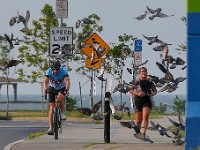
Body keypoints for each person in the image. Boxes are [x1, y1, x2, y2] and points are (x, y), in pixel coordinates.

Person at [129, 67, 157, 140]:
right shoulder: (136, 81)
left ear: (147, 73)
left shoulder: (150, 82)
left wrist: (151, 94)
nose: (144, 73)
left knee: (145, 116)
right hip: (138, 100)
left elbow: (155, 91)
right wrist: (137, 93)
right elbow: (131, 90)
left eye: (145, 71)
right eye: (142, 71)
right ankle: (138, 130)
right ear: (140, 73)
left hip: (146, 100)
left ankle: (143, 133)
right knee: (138, 121)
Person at [43, 60, 70, 135]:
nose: (55, 71)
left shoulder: (63, 71)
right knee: (51, 107)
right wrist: (45, 89)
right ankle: (51, 128)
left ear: (59, 68)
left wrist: (67, 90)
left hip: (62, 87)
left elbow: (67, 81)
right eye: (53, 69)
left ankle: (62, 112)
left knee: (60, 98)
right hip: (52, 87)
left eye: (56, 69)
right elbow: (45, 81)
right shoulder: (49, 71)